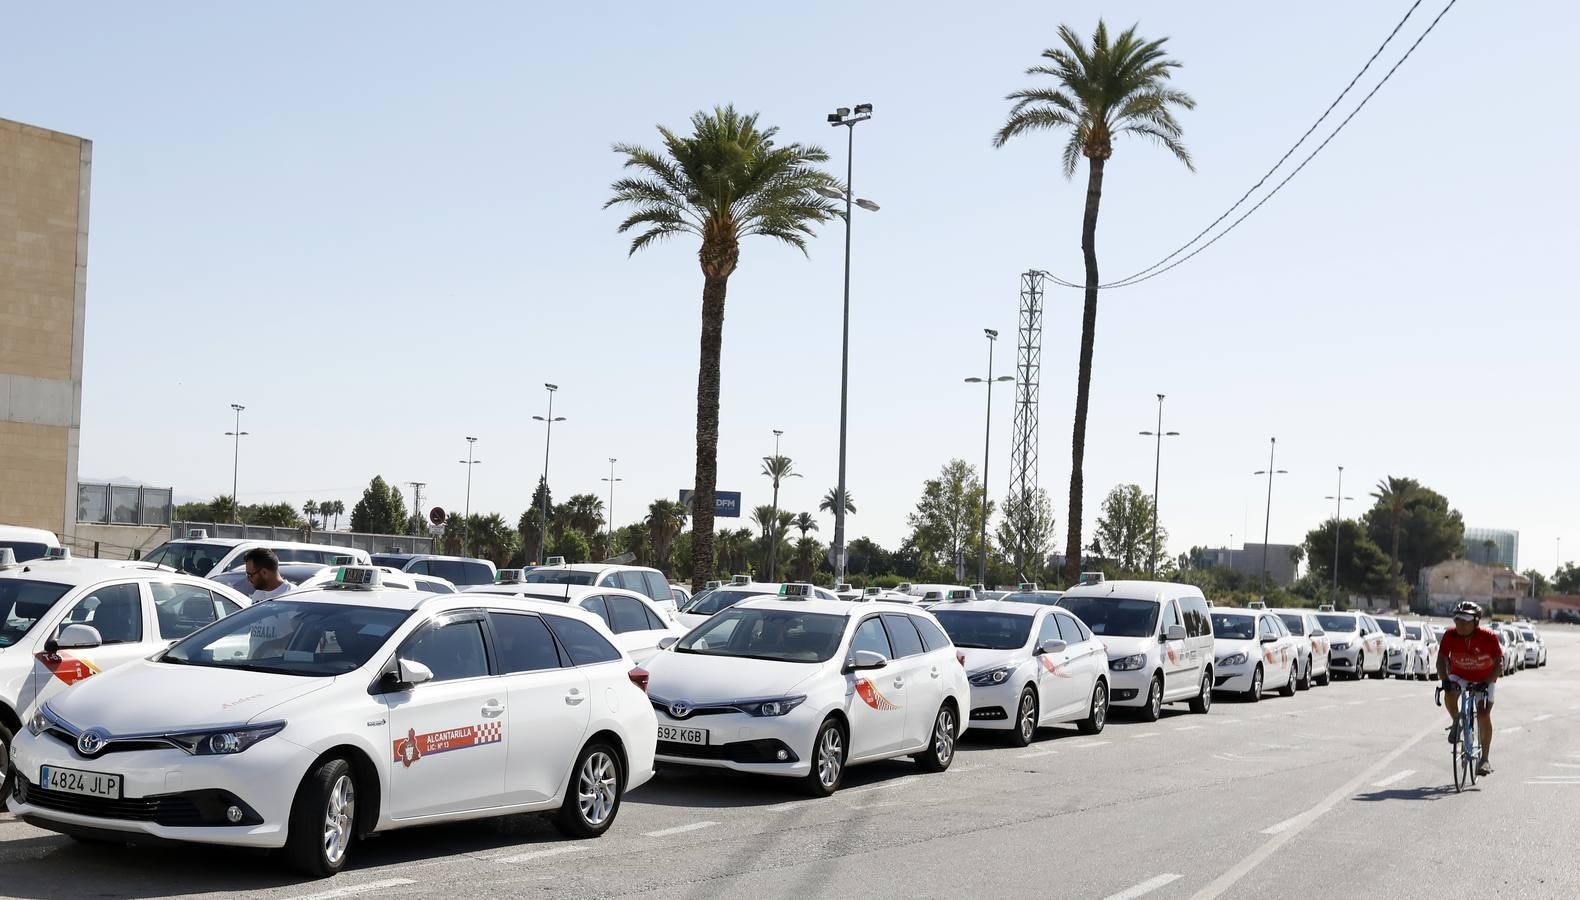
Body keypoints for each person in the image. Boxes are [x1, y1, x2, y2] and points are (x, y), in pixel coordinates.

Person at [1436, 601, 1501, 776]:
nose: (1460, 625)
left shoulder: (1489, 637)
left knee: (1483, 713)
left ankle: (1485, 759)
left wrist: (1486, 682)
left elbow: (1499, 664)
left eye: (1465, 621)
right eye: (1457, 621)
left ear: (1476, 622)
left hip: (1484, 678)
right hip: (1460, 675)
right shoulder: (1450, 635)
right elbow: (1441, 659)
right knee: (1449, 692)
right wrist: (1444, 680)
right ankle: (1457, 721)